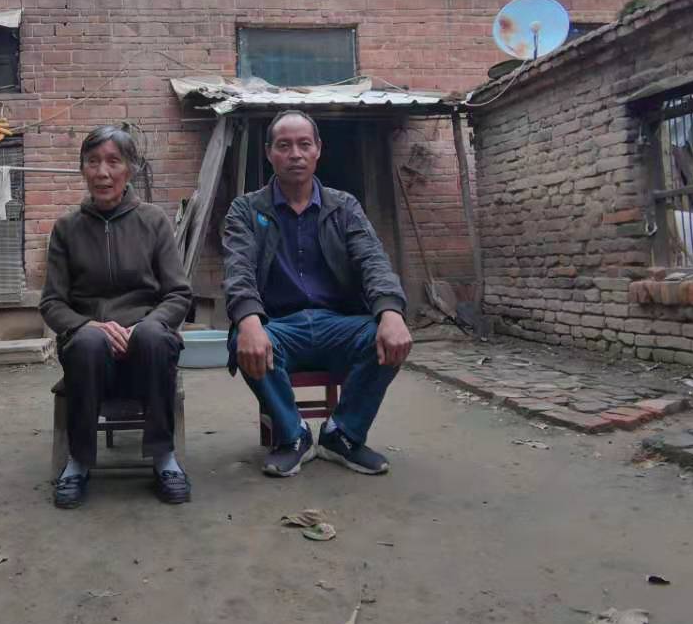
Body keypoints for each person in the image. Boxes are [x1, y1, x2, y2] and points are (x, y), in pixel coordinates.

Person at [222, 109, 414, 477]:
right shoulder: (246, 210)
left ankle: (342, 434)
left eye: (304, 144)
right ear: (269, 152)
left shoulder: (344, 207)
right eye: (284, 145)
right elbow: (238, 270)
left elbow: (372, 260)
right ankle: (293, 437)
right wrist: (248, 320)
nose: (295, 154)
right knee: (244, 339)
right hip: (279, 327)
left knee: (388, 336)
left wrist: (391, 311)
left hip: (337, 325)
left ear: (318, 150)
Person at [40, 125, 193, 508]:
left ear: (131, 169)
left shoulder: (153, 222)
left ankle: (164, 459)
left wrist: (145, 325)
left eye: (113, 162)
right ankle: (78, 462)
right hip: (90, 352)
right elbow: (53, 303)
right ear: (82, 169)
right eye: (93, 162)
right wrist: (88, 325)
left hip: (146, 348)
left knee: (154, 338)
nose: (103, 172)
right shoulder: (67, 229)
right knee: (89, 342)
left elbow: (178, 294)